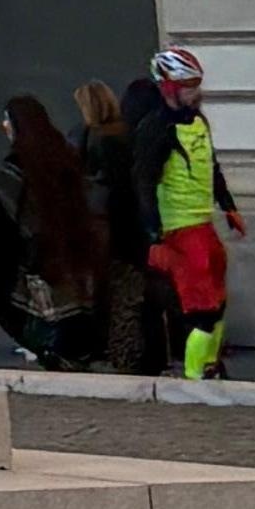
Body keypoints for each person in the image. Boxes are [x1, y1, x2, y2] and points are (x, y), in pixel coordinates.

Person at [130, 42, 245, 379]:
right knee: (202, 309)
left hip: (203, 223)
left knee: (219, 302)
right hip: (179, 229)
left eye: (197, 85)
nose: (197, 93)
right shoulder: (156, 129)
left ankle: (210, 365)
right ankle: (195, 376)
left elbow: (211, 166)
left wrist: (228, 206)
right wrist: (154, 236)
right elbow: (143, 182)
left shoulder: (198, 122)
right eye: (189, 86)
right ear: (169, 88)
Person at [0, 93, 107, 366]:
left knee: (33, 314)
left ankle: (54, 354)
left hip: (39, 255)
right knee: (71, 314)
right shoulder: (64, 155)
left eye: (7, 121)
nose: (4, 127)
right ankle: (69, 355)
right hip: (74, 249)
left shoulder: (15, 168)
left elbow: (11, 217)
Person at [75, 77, 157, 371]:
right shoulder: (130, 134)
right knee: (133, 294)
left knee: (113, 295)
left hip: (108, 227)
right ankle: (136, 353)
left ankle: (120, 353)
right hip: (134, 226)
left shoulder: (93, 139)